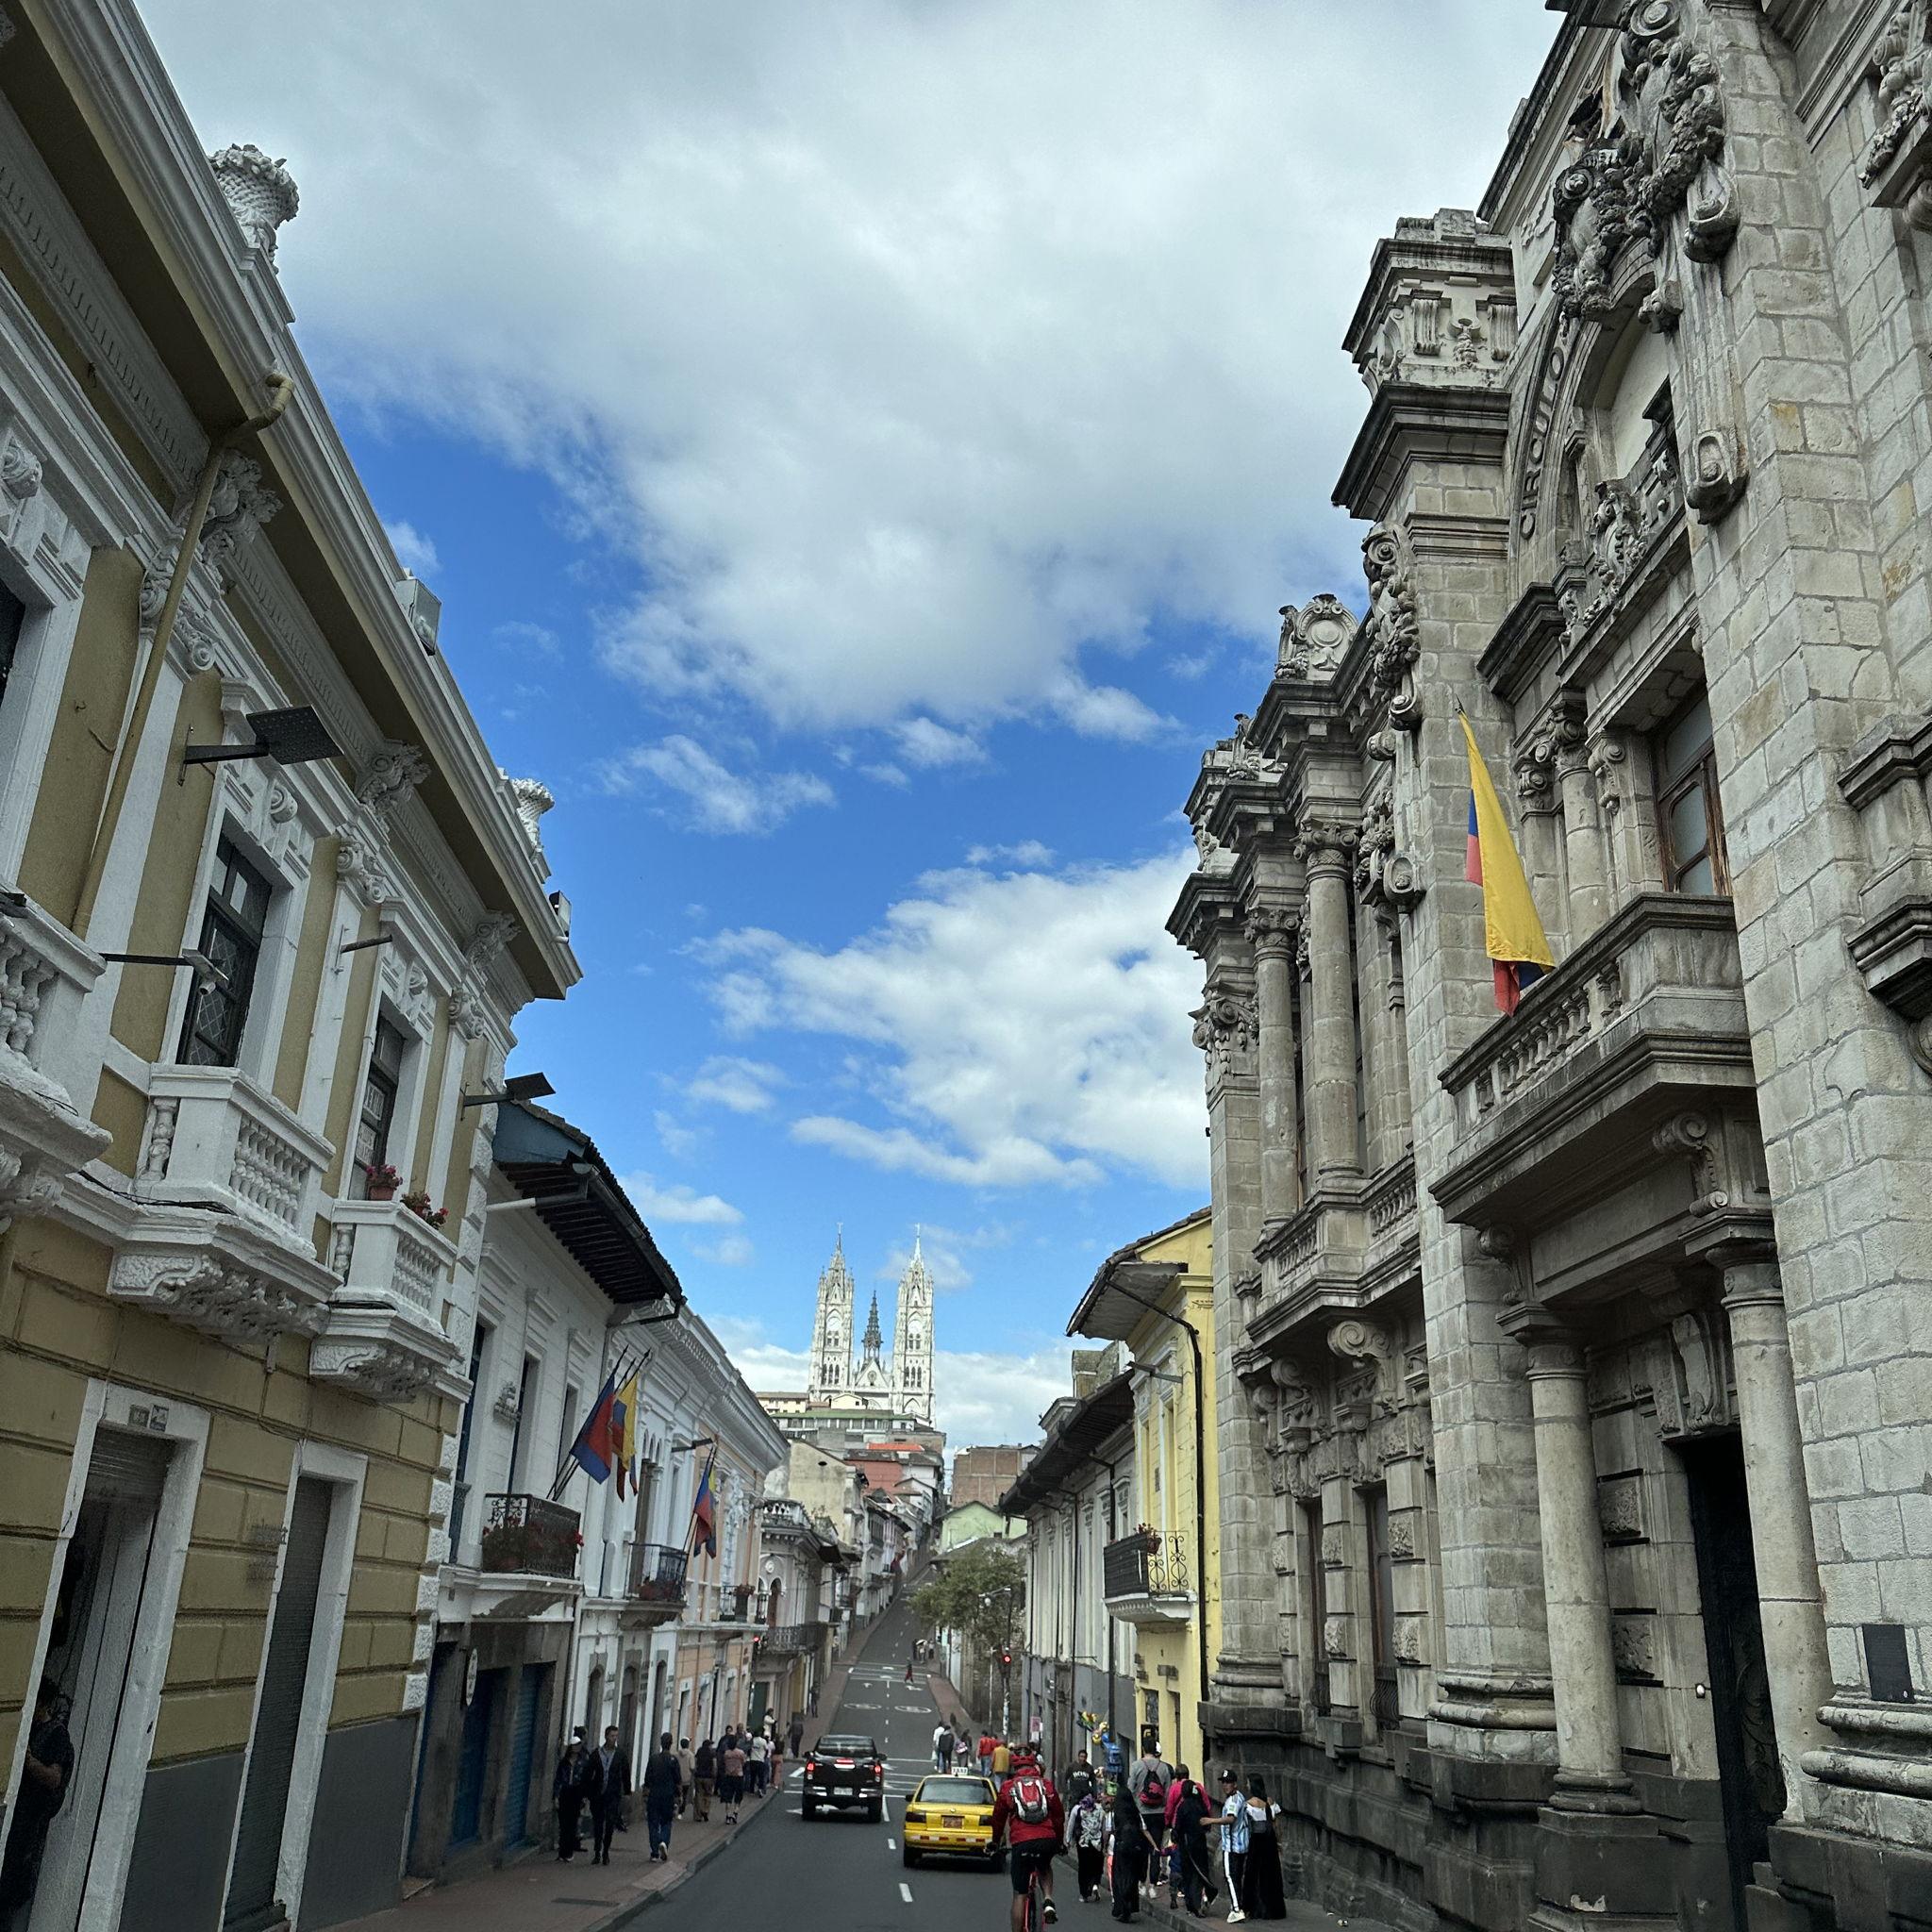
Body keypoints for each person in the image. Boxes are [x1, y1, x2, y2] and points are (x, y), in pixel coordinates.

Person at [0, 1678, 74, 1928]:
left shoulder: (56, 1735)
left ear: (43, 1704)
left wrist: (30, 1762)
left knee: (8, 1890)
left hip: (28, 1825)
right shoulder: (30, 1727)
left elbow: (54, 1778)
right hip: (17, 1819)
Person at [991, 1748, 1063, 1932]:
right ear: (1033, 1764)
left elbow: (998, 1818)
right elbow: (1058, 1816)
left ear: (1014, 1766)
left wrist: (995, 1840)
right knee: (1044, 1866)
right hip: (1046, 1838)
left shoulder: (1008, 1787)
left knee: (1020, 1894)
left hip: (1021, 1841)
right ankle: (1047, 1898)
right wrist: (1059, 1841)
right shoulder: (1046, 1785)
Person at [583, 1724, 634, 1864]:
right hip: (598, 1795)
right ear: (606, 1736)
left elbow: (626, 1774)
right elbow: (587, 1774)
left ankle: (606, 1851)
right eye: (612, 1736)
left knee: (610, 1823)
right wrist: (587, 1792)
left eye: (616, 1736)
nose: (614, 1739)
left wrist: (627, 1792)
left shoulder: (620, 1755)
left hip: (613, 1794)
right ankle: (597, 1851)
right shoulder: (596, 1754)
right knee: (598, 1823)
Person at [1237, 1776, 1285, 1921]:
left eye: (1248, 1782)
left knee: (1253, 1874)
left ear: (1253, 1786)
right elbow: (1277, 1825)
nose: (1246, 1785)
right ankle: (1273, 1908)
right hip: (1269, 1842)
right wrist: (1279, 1843)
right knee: (1270, 1874)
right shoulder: (1270, 1802)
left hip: (1255, 1841)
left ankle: (1253, 1908)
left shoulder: (1248, 1804)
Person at [1170, 1767, 1214, 1916]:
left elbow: (1178, 1827)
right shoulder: (1200, 1805)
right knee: (1200, 1873)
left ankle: (1192, 1905)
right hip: (1200, 1843)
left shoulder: (1183, 1807)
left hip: (1187, 1845)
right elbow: (1206, 1823)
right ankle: (1202, 1899)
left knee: (1189, 1875)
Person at [1107, 1782, 1154, 1923]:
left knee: (1119, 1878)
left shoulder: (1114, 1812)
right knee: (1132, 1876)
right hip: (1136, 1847)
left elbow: (1109, 1830)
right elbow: (1143, 1828)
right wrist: (1154, 1845)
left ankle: (1122, 1907)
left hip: (1121, 1847)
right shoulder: (1135, 1812)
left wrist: (1104, 1845)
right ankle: (1131, 1903)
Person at [639, 1731, 679, 1863]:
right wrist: (678, 1796)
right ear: (671, 1744)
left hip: (654, 1796)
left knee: (653, 1823)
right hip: (668, 1796)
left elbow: (647, 1778)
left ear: (661, 1743)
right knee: (667, 1822)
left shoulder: (653, 1759)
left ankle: (654, 1852)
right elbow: (678, 1780)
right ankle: (663, 1842)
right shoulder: (673, 1760)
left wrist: (645, 1794)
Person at [1216, 1770, 1249, 1923]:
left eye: (1228, 1782)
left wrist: (1210, 1821)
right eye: (1223, 1782)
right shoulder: (1240, 1797)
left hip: (1232, 1845)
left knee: (1230, 1876)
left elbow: (1230, 1819)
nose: (1225, 1785)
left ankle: (1236, 1909)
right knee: (1236, 1877)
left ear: (1234, 1784)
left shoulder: (1233, 1801)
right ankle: (1237, 1905)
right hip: (1241, 1845)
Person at [1067, 1780, 1108, 1903]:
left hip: (1083, 1842)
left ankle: (1084, 1894)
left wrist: (1068, 1840)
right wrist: (1104, 1844)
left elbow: (1070, 1825)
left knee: (1084, 1868)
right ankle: (1095, 1884)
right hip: (1097, 1843)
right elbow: (1104, 1828)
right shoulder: (1100, 1810)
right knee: (1096, 1865)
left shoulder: (1077, 1809)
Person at [554, 1737, 587, 1860]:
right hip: (565, 1792)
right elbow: (558, 1780)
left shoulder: (583, 1762)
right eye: (574, 1745)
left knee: (572, 1823)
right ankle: (562, 1852)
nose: (576, 1748)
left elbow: (584, 1780)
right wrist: (556, 1796)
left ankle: (568, 1852)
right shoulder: (564, 1762)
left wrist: (584, 1796)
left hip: (576, 1793)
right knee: (563, 1824)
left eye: (578, 1745)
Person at [719, 1733, 747, 1822]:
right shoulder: (740, 1753)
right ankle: (735, 1813)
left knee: (728, 1796)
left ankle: (728, 1815)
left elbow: (724, 1762)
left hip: (728, 1775)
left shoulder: (726, 1753)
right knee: (738, 1796)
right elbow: (744, 1762)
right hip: (738, 1775)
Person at [692, 1737, 716, 1822]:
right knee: (708, 1795)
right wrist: (714, 1775)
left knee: (699, 1795)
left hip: (699, 1776)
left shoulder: (699, 1751)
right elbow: (714, 1765)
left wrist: (695, 1771)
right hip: (709, 1777)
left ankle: (698, 1815)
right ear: (709, 1746)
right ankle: (705, 1810)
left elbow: (695, 1762)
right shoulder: (712, 1753)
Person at [675, 1737, 696, 1817]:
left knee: (677, 1793)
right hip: (686, 1779)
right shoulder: (691, 1755)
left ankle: (675, 1805)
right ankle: (680, 1812)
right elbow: (692, 1767)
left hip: (677, 1778)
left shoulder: (676, 1754)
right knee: (684, 1795)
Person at [748, 1725, 772, 1795]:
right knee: (761, 1776)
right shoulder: (763, 1741)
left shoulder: (752, 1741)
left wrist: (750, 1756)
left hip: (753, 1760)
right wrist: (764, 1757)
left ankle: (751, 1790)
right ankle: (760, 1789)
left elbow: (749, 1750)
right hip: (760, 1760)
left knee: (753, 1776)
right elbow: (766, 1750)